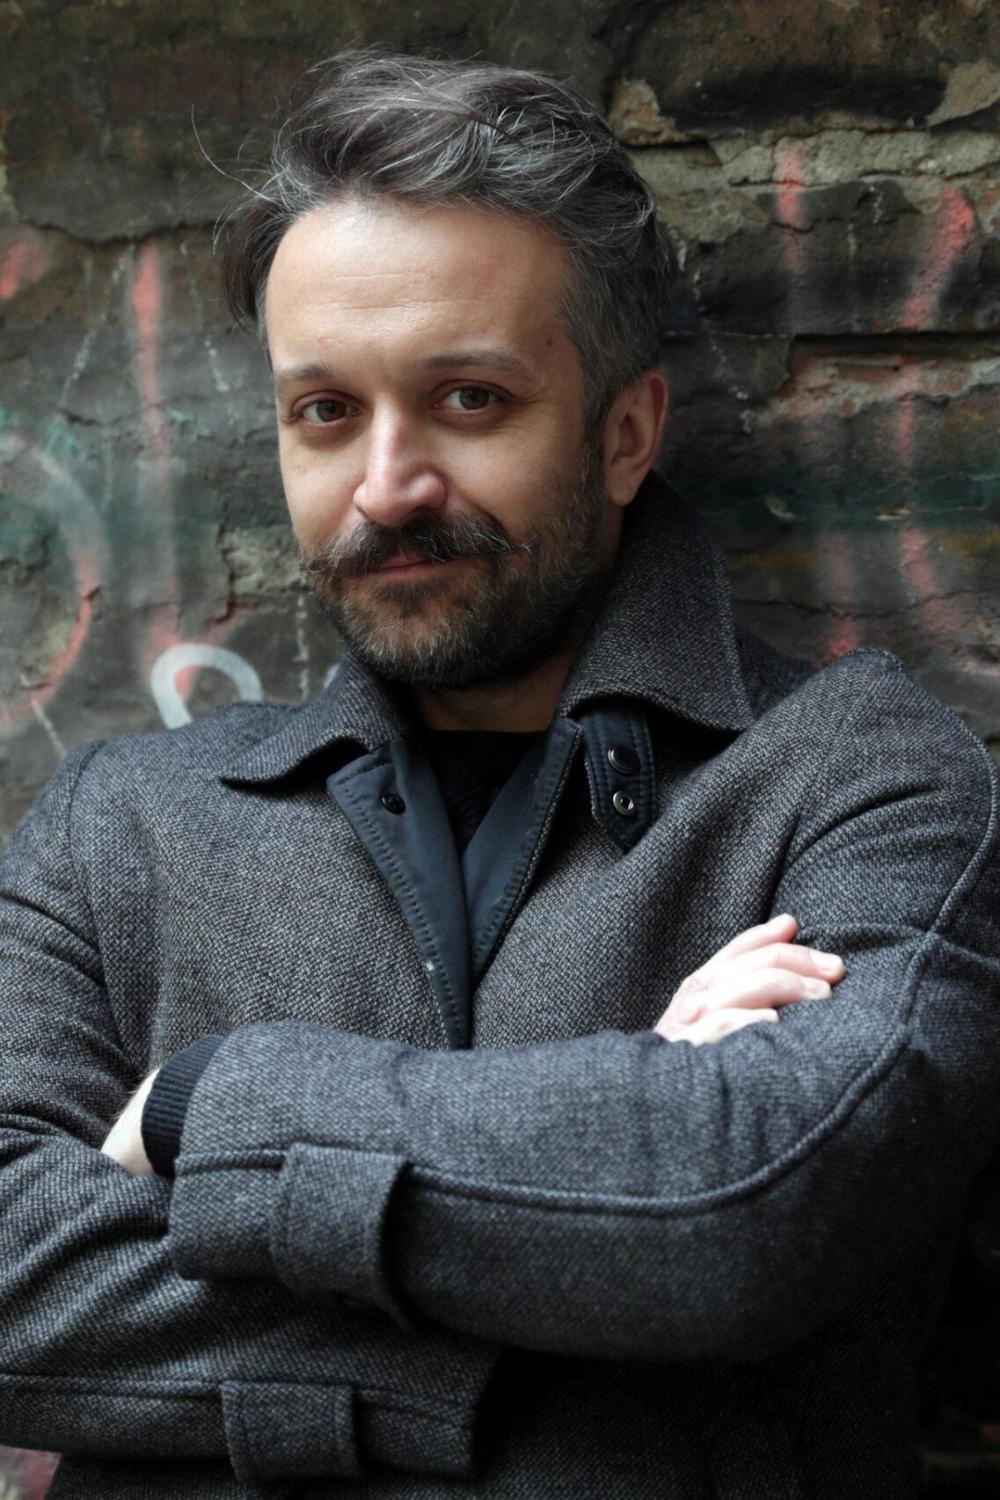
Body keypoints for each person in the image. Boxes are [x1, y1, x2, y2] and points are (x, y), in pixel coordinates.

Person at [2, 47, 999, 1500]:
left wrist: (199, 1108)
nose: (387, 485)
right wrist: (611, 1168)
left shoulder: (855, 776)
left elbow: (751, 1217)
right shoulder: (123, 826)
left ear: (625, 433)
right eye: (324, 412)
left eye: (468, 400)